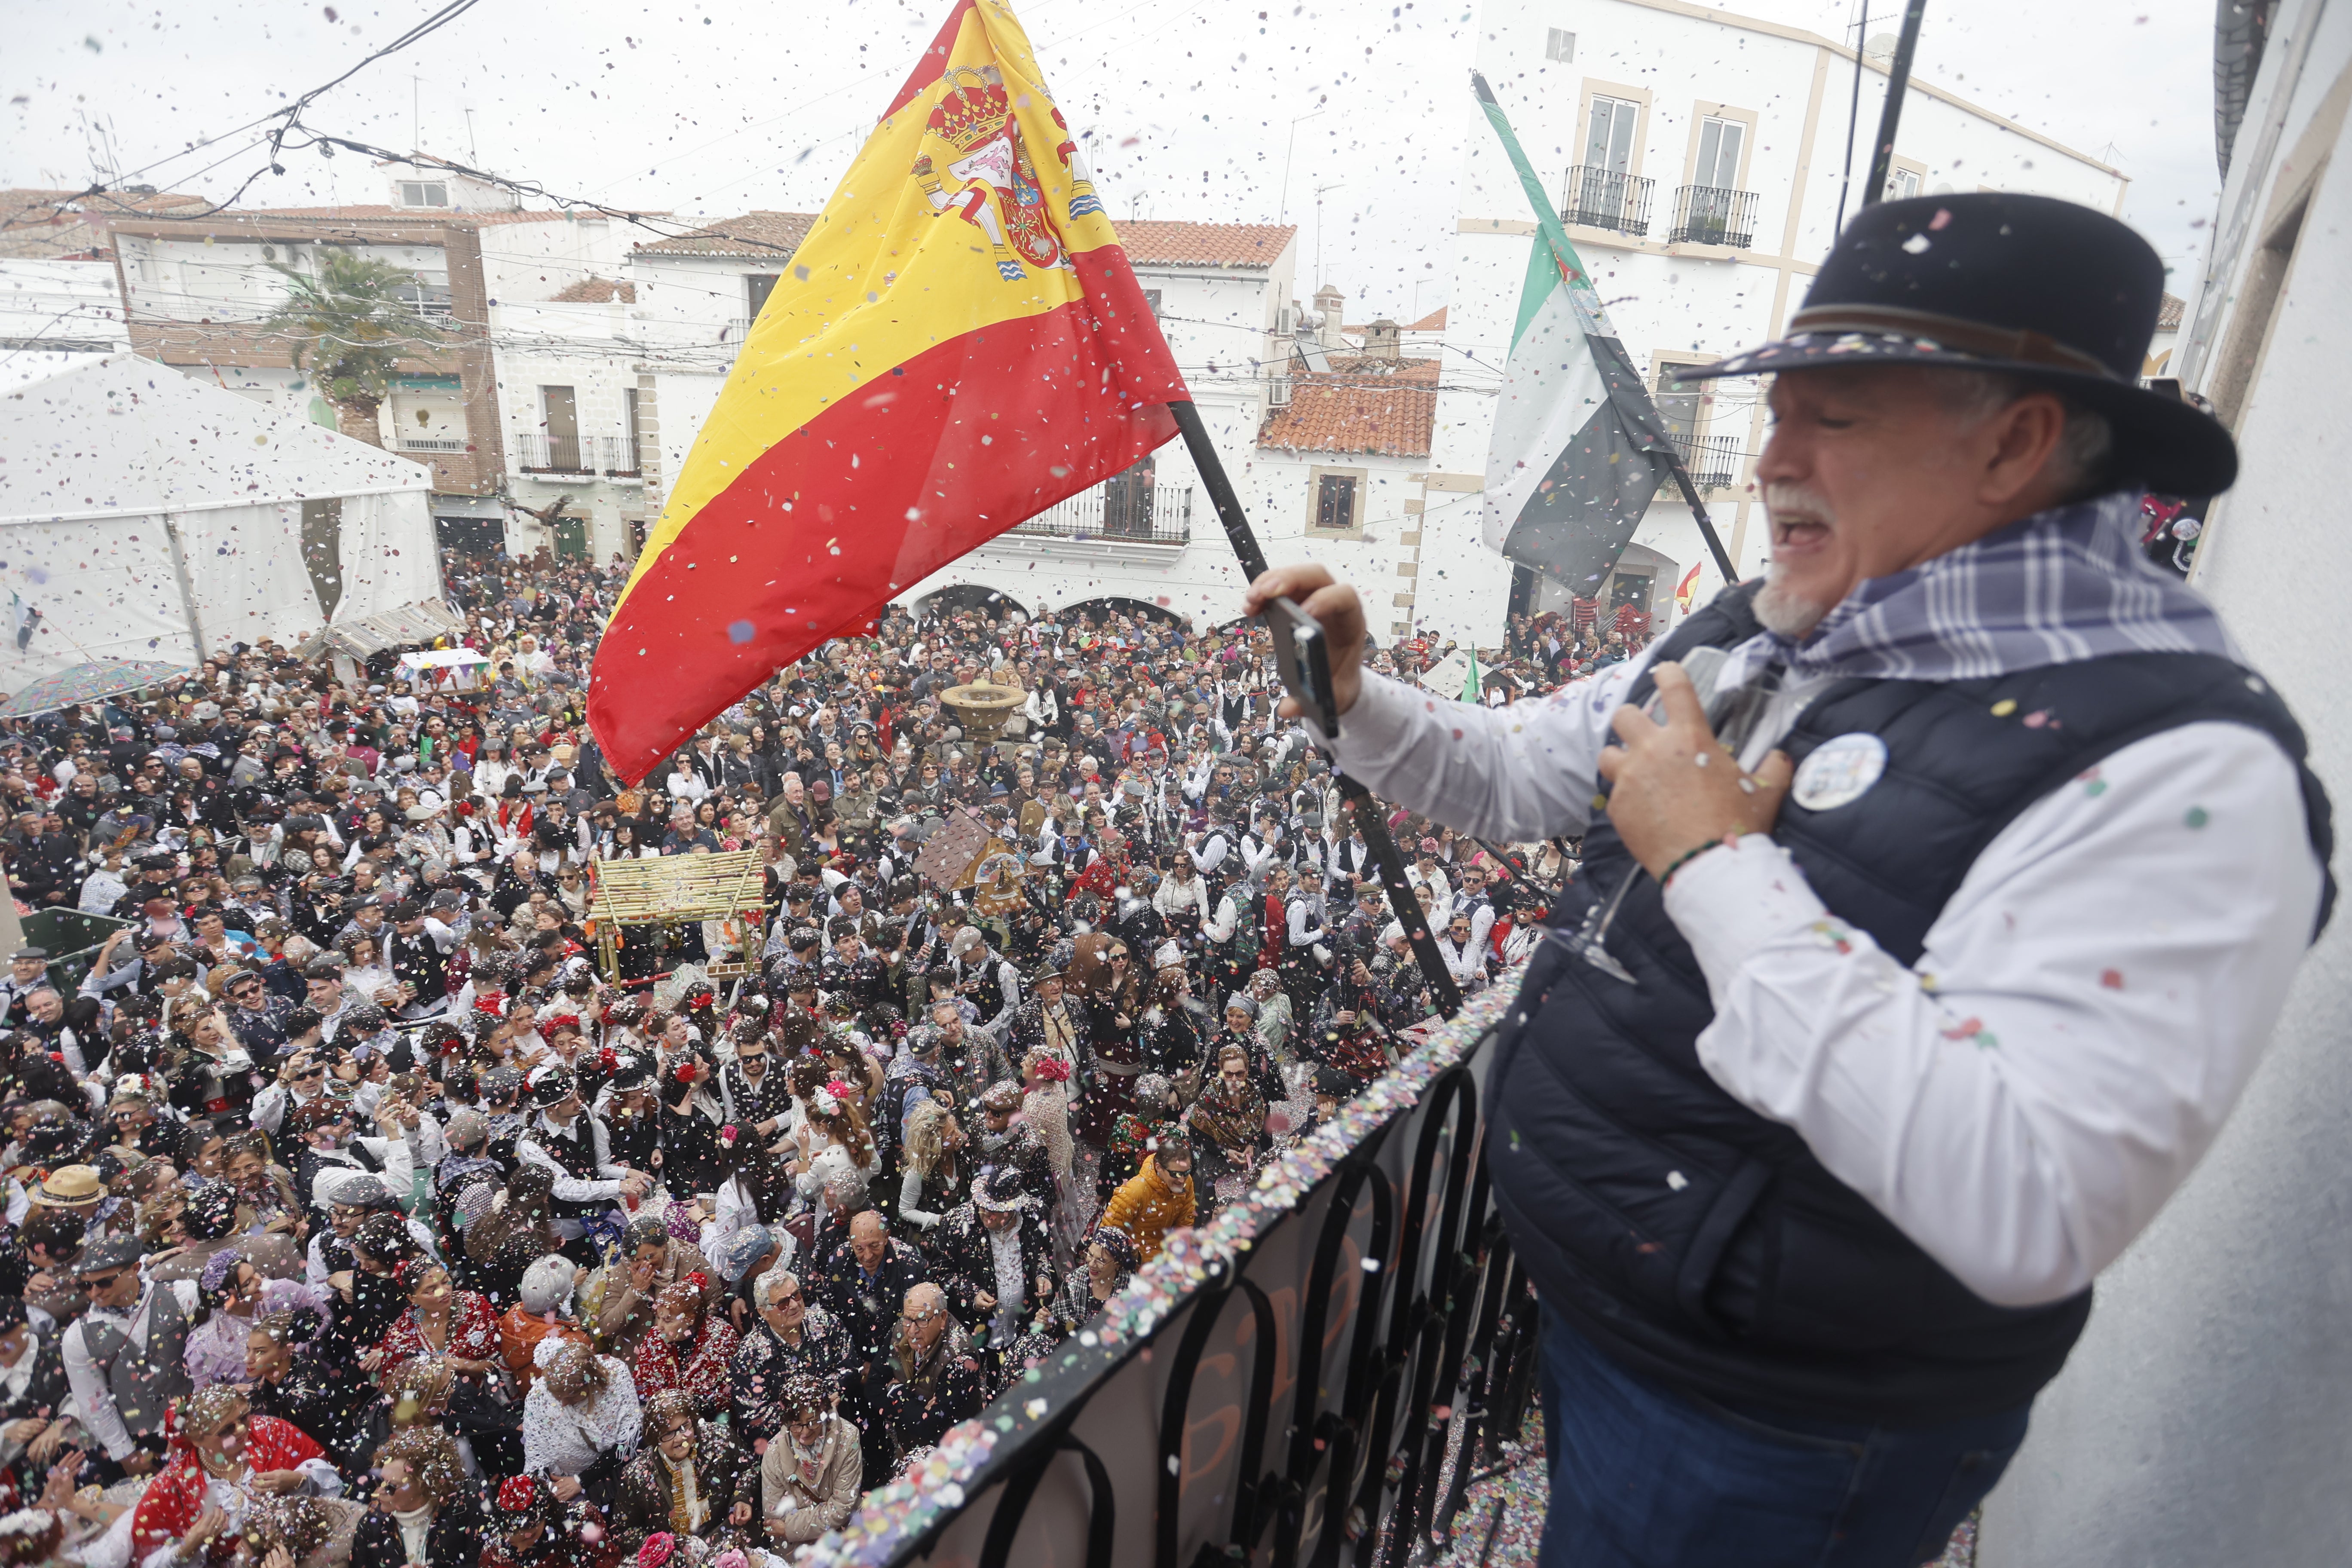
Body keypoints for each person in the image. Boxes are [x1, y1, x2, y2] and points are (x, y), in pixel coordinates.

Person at [1240, 193, 2331, 1565]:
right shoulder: (1765, 627)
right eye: (1777, 413)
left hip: (1779, 1427)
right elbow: (1526, 771)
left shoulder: (2183, 770)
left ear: (2018, 441)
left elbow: (2028, 1200)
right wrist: (1360, 701)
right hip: (1620, 1324)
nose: (1774, 459)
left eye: (1836, 416)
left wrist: (1710, 861)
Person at [876, 1282, 983, 1474]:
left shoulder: (962, 1358)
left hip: (953, 1459)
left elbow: (932, 1428)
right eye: (908, 1319)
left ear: (942, 1318)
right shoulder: (902, 1328)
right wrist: (919, 1410)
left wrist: (896, 1392)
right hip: (910, 1449)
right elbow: (873, 1387)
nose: (912, 1331)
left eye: (922, 1321)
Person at [351, 1424, 485, 1568]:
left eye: (392, 1486)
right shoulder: (370, 1524)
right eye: (380, 1481)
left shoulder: (464, 1504)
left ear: (426, 1486)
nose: (379, 1492)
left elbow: (479, 1563)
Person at [758, 1370, 863, 1549]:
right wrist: (794, 1529)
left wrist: (790, 1527)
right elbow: (774, 1518)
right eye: (797, 1425)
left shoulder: (847, 1437)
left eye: (813, 1422)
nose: (805, 1433)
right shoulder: (774, 1453)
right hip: (800, 1545)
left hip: (849, 1529)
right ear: (786, 1422)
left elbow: (843, 1507)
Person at [1099, 1134, 1194, 1265]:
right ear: (1159, 1168)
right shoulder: (1134, 1191)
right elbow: (1107, 1238)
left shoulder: (1187, 1182)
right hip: (1134, 1262)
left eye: (1186, 1172)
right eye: (1176, 1174)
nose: (1182, 1180)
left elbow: (1186, 1223)